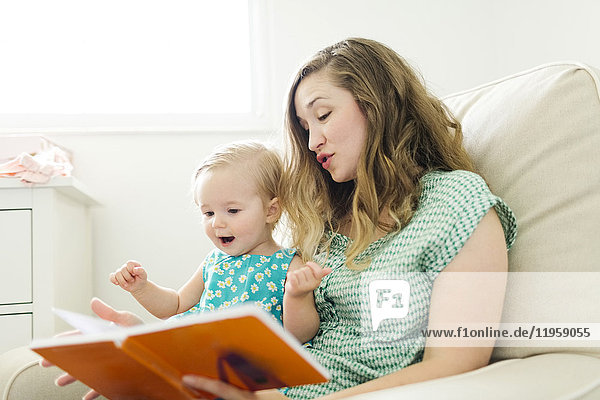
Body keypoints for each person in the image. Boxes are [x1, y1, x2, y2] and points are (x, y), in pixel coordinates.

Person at [45, 38, 517, 400]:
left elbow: (456, 362)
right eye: (304, 128)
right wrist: (153, 347)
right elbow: (280, 334)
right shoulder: (327, 225)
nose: (312, 143)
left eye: (323, 115)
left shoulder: (456, 203)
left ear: (379, 105)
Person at [109, 140, 304, 325]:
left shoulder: (290, 266)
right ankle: (141, 338)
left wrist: (298, 296)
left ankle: (140, 337)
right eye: (208, 213)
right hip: (205, 348)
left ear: (271, 211)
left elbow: (302, 335)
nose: (217, 223)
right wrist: (141, 288)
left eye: (232, 211)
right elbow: (175, 304)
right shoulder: (214, 262)